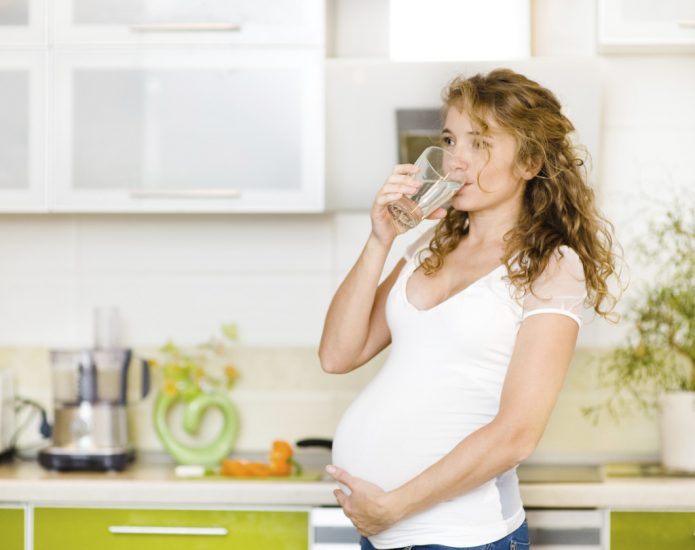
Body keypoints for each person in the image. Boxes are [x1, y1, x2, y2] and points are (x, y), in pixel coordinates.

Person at [318, 68, 621, 550]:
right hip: (384, 533)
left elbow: (516, 434)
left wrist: (393, 507)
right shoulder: (429, 247)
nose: (456, 161)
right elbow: (337, 354)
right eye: (450, 139)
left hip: (462, 537)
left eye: (479, 143)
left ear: (529, 162)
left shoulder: (549, 265)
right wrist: (381, 241)